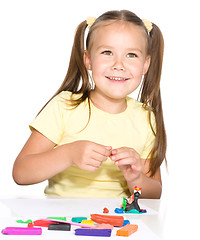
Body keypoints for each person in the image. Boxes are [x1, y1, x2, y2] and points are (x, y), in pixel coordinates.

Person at [12, 10, 167, 199]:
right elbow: (21, 173)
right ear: (88, 59)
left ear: (146, 64)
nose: (119, 64)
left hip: (118, 223)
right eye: (107, 52)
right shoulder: (64, 107)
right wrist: (68, 154)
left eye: (131, 55)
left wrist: (136, 179)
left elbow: (154, 193)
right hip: (64, 223)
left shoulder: (146, 117)